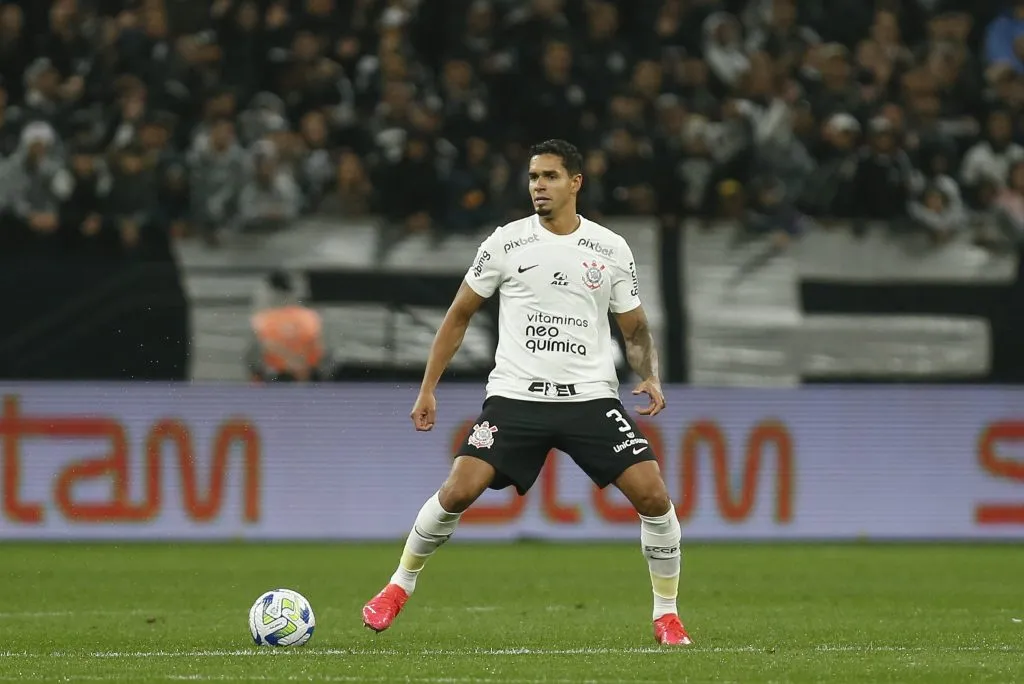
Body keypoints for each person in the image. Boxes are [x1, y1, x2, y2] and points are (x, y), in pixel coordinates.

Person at [361, 139, 692, 646]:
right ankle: (397, 586)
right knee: (458, 490)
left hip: (589, 398)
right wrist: (428, 388)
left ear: (575, 183)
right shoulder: (505, 243)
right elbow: (459, 315)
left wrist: (649, 374)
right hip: (517, 397)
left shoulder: (610, 248)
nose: (539, 186)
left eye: (550, 176)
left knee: (654, 495)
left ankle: (666, 614)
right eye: (534, 177)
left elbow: (635, 328)